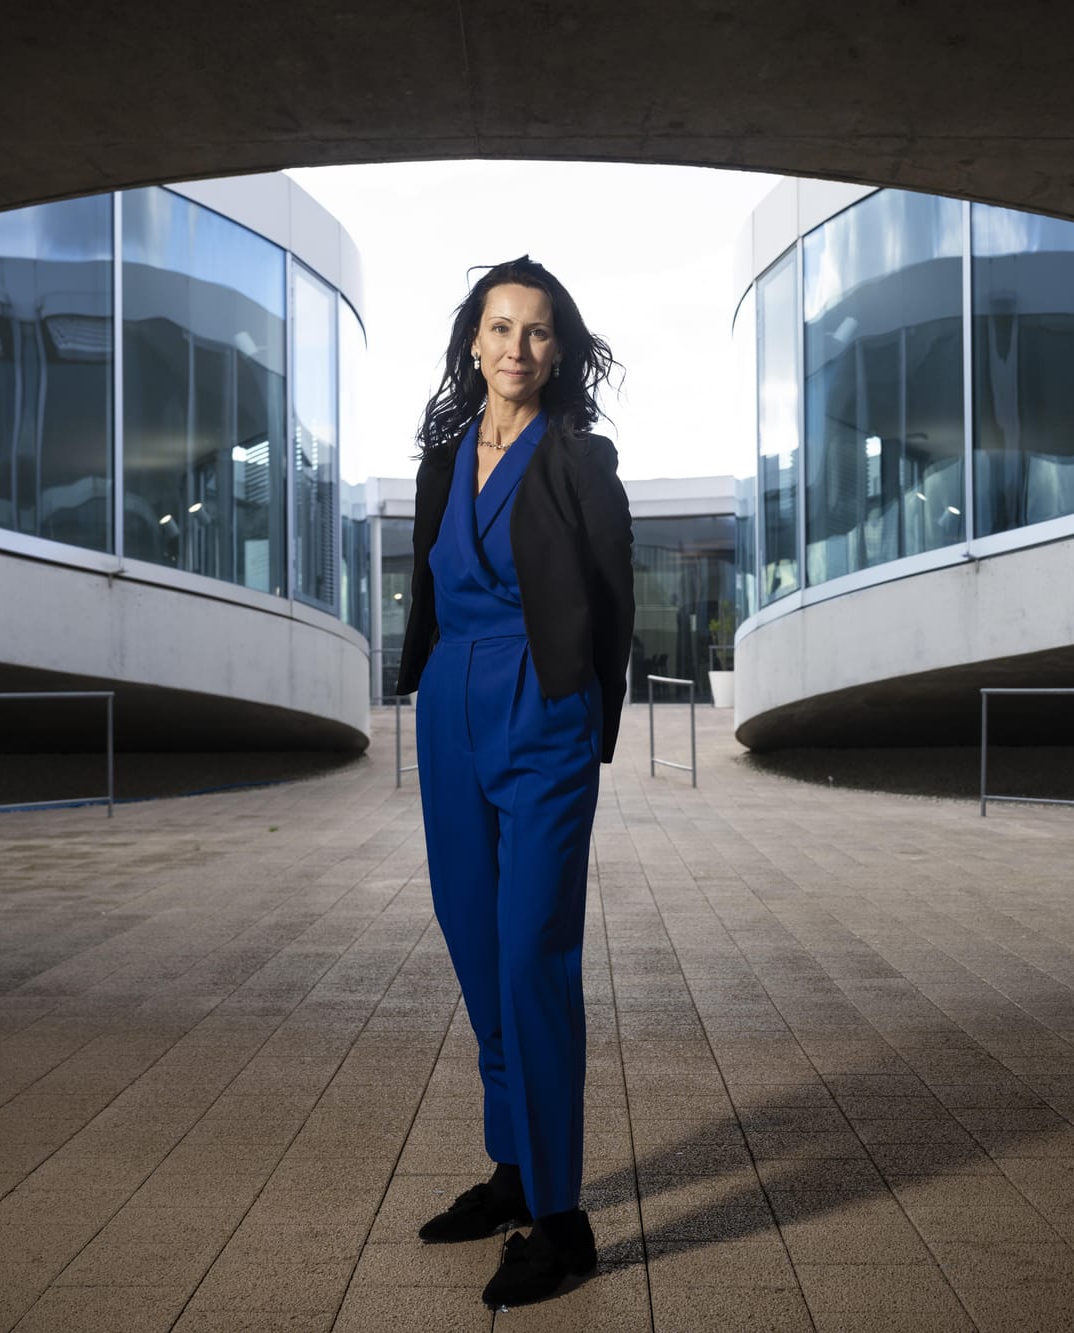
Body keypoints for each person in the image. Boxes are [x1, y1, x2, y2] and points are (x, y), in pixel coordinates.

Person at [393, 256, 633, 1308]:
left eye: (536, 332)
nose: (515, 349)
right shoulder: (442, 458)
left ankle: (562, 1218)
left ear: (559, 348)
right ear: (471, 341)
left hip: (541, 711)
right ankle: (511, 1169)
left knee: (533, 948)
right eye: (499, 328)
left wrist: (588, 727)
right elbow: (429, 588)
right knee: (473, 939)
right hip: (449, 704)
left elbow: (613, 603)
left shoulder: (581, 458)